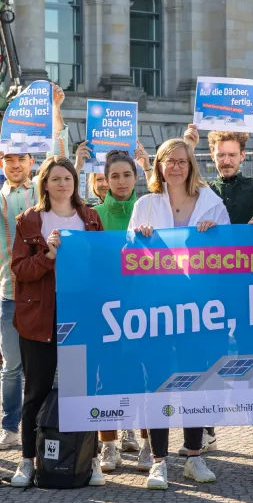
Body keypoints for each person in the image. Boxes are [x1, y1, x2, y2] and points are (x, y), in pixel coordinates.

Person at [129, 137, 230, 490]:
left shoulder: (212, 204)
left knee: (195, 380)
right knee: (157, 380)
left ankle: (194, 456)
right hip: (157, 307)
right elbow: (129, 254)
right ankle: (159, 461)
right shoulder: (145, 204)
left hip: (199, 308)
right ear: (158, 166)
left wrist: (214, 237)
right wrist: (139, 239)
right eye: (169, 161)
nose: (175, 167)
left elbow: (228, 253)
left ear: (191, 166)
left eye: (182, 161)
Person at [0, 83, 71, 453]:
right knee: (10, 367)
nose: (15, 164)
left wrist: (55, 109)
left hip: (44, 293)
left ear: (32, 163)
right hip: (11, 293)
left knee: (47, 368)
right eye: (8, 160)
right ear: (2, 164)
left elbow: (60, 155)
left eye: (21, 159)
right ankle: (10, 428)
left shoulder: (38, 194)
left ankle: (49, 424)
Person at [8, 157, 105, 488]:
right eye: (56, 179)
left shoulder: (89, 218)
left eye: (68, 178)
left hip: (81, 315)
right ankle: (26, 460)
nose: (63, 184)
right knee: (36, 390)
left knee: (82, 389)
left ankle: (88, 460)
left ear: (75, 183)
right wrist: (47, 256)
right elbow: (20, 270)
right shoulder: (30, 221)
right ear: (44, 184)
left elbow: (102, 262)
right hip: (39, 316)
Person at [183, 126, 253, 453]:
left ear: (242, 156)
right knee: (210, 359)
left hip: (252, 289)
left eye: (231, 155)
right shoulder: (204, 190)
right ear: (213, 156)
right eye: (220, 155)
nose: (226, 160)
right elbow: (178, 180)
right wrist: (188, 146)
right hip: (214, 289)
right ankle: (206, 426)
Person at [92, 148, 153, 473]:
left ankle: (147, 444)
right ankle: (109, 445)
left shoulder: (149, 209)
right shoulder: (95, 215)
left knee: (145, 375)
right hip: (107, 305)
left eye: (127, 174)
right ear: (105, 179)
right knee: (108, 377)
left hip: (143, 304)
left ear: (135, 177)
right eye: (114, 175)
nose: (120, 180)